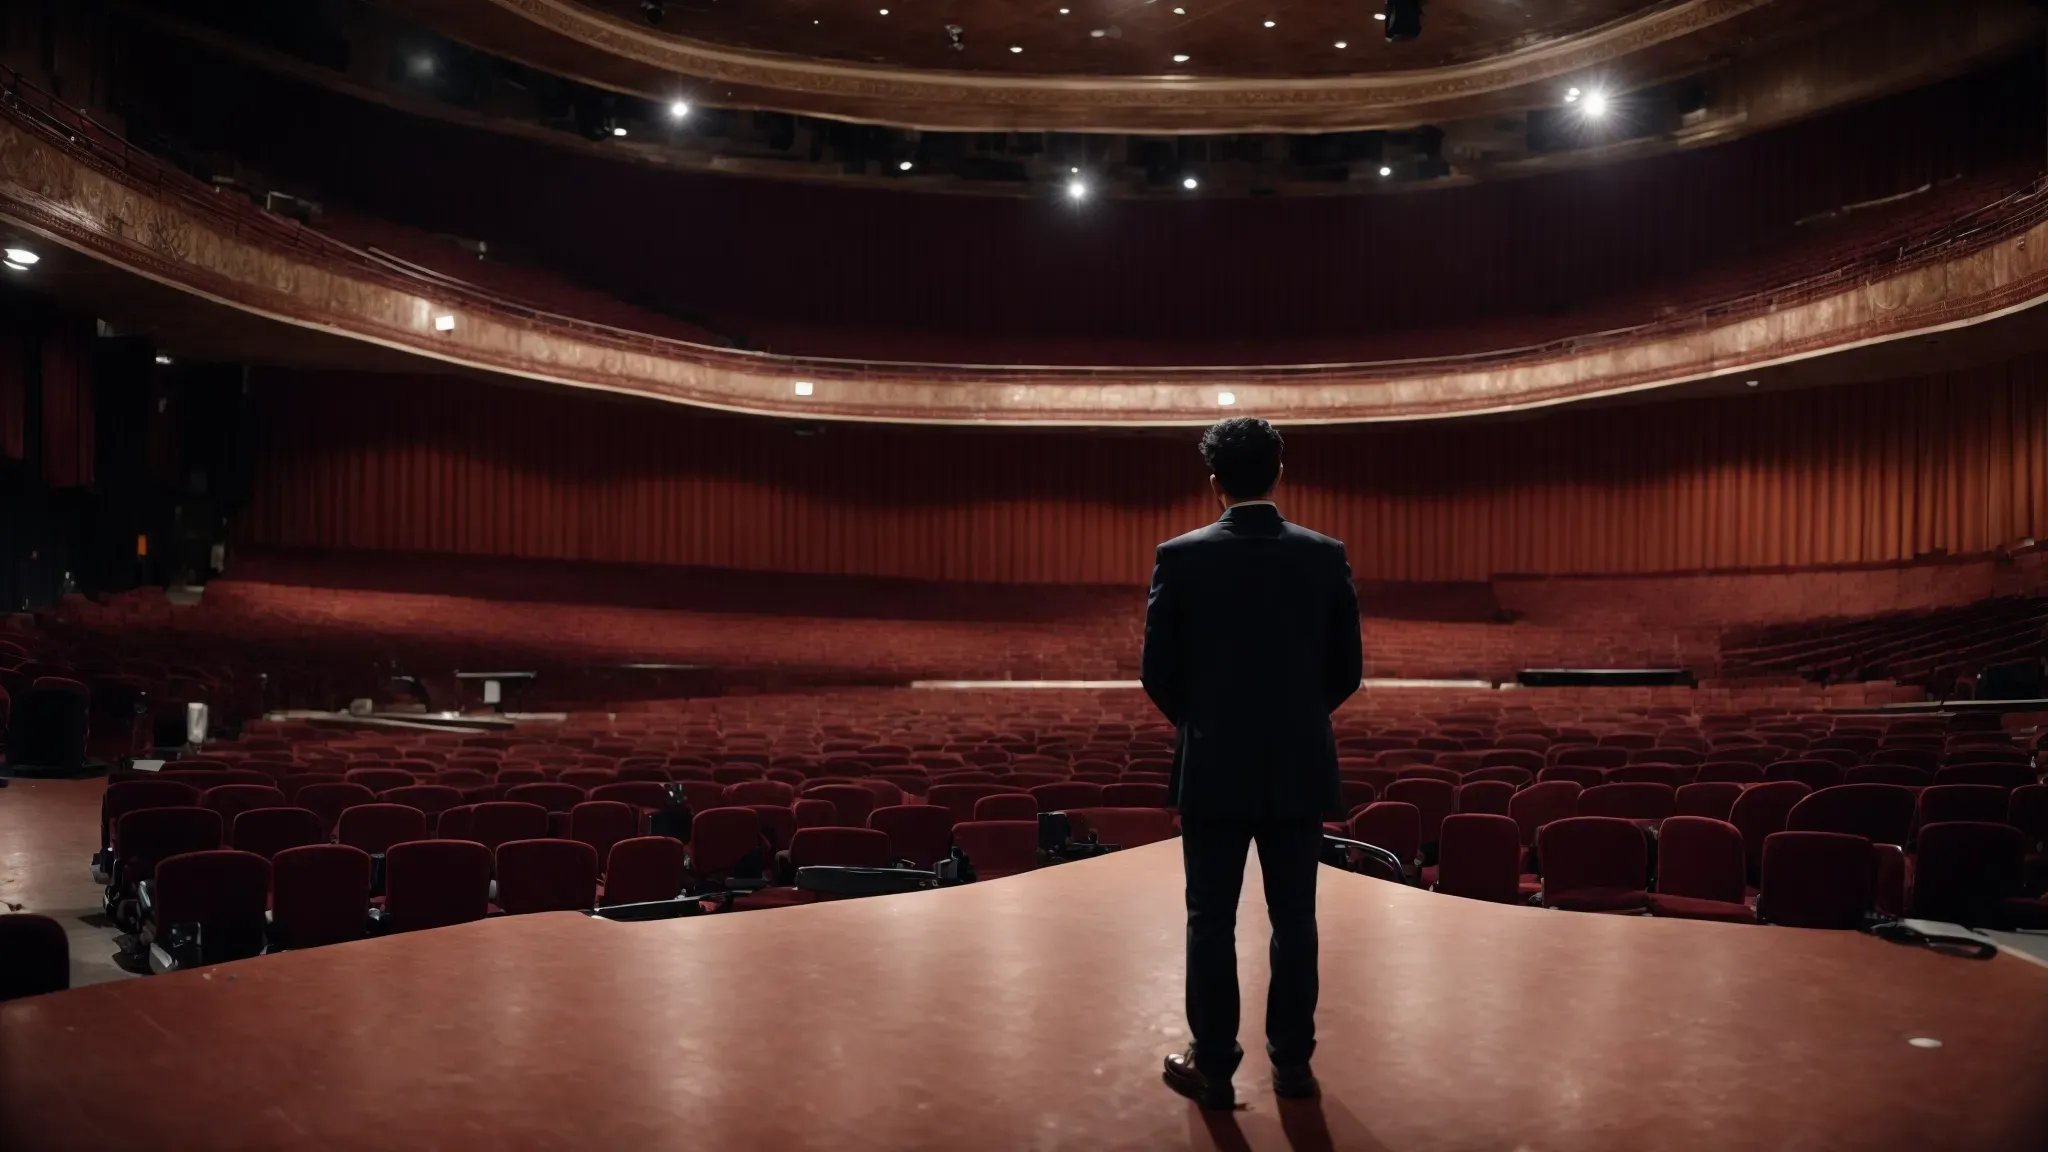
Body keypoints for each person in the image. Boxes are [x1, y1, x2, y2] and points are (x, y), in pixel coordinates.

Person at [1141, 416, 1362, 1109]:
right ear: (1279, 473)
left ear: (1214, 483)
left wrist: (1207, 725)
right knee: (1296, 917)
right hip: (1299, 764)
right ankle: (1292, 1067)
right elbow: (1346, 670)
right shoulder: (1324, 555)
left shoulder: (1179, 557)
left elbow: (1158, 674)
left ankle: (1212, 1066)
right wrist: (1293, 721)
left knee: (1211, 919)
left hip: (1213, 768)